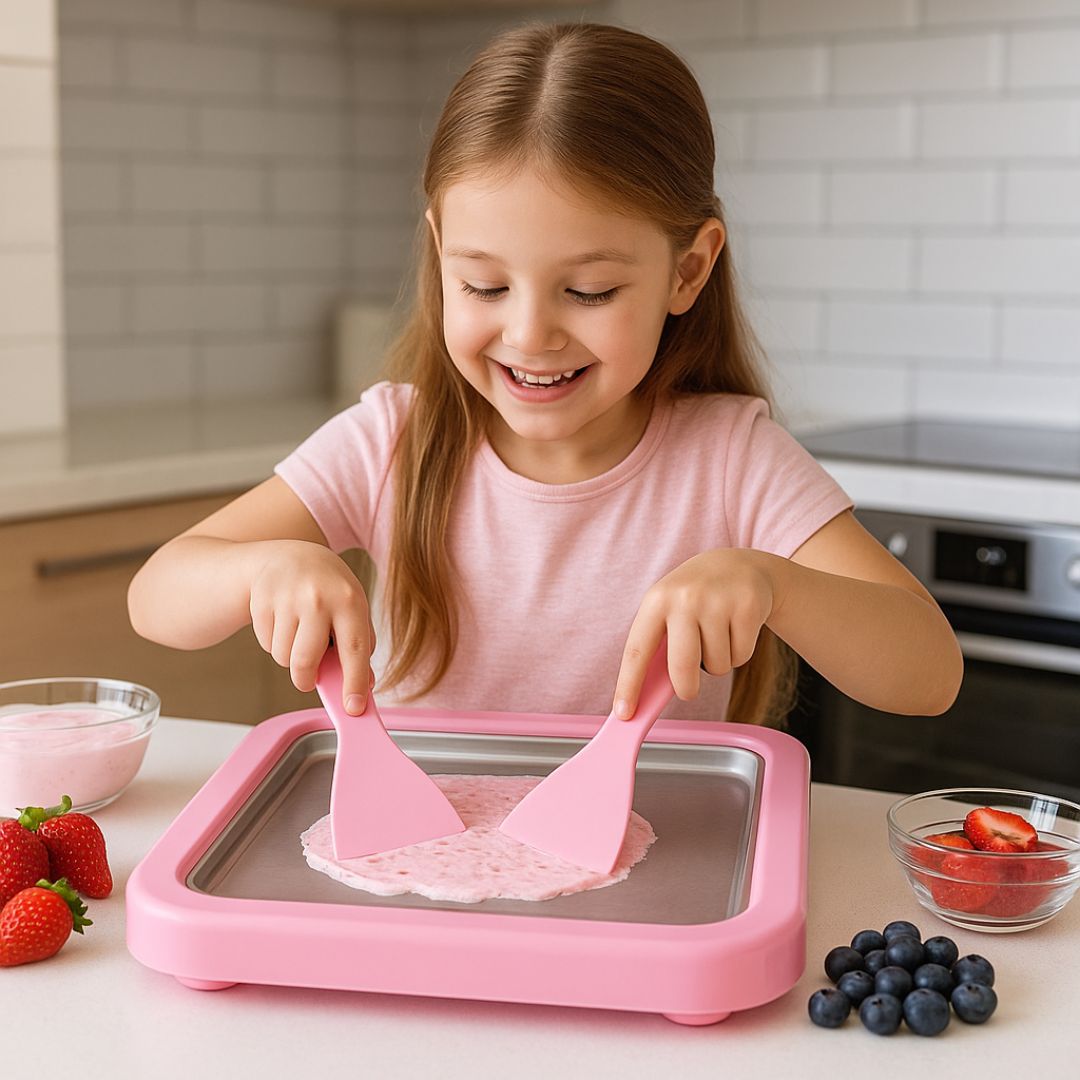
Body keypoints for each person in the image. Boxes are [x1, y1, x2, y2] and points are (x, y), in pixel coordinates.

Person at [128, 22, 962, 731]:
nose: (530, 335)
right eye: (483, 285)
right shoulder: (394, 440)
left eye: (589, 290)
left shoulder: (731, 458)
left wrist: (774, 584)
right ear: (438, 251)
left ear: (688, 271)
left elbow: (928, 674)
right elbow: (157, 596)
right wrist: (262, 569)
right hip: (423, 866)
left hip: (657, 881)